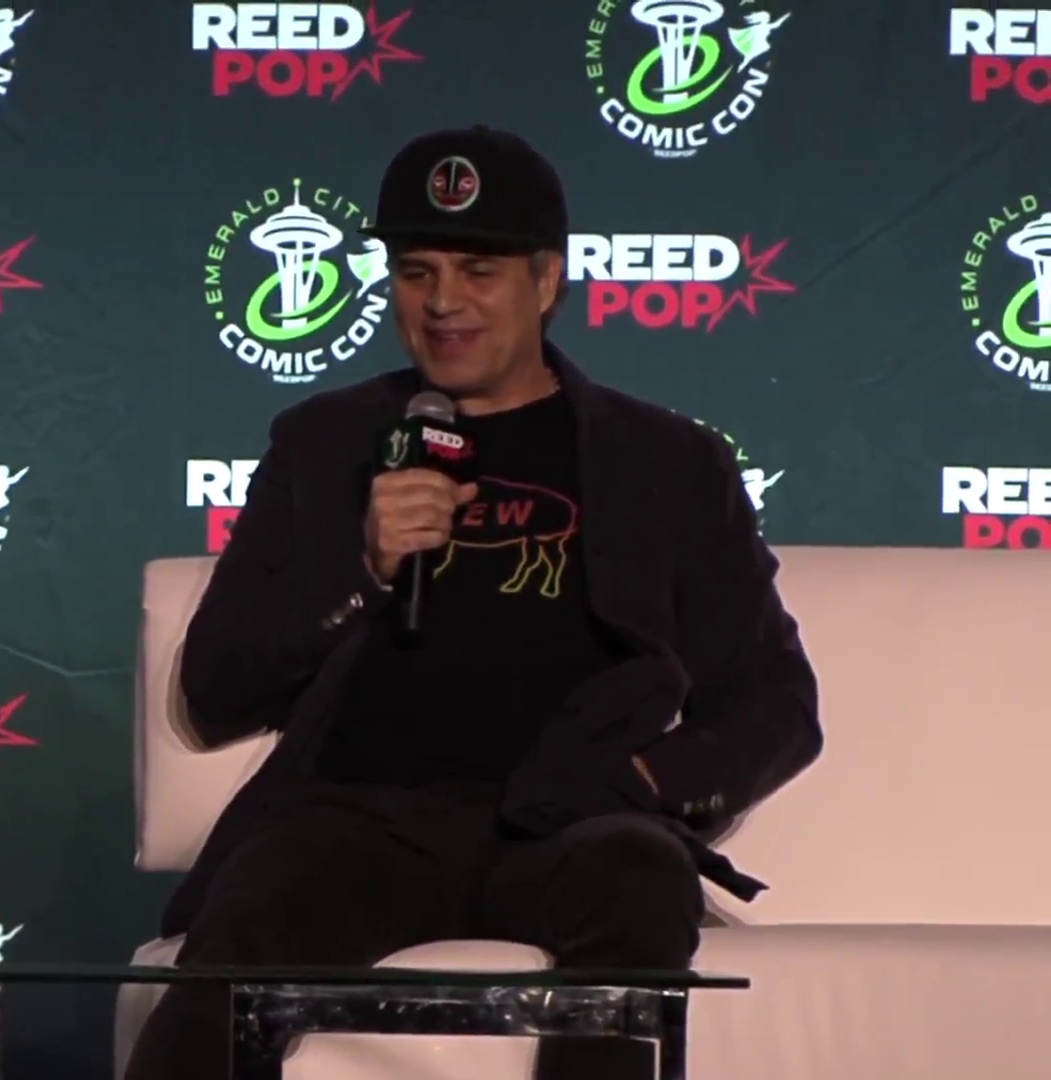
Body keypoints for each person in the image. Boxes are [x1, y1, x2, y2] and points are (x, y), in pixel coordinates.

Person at [124, 127, 823, 1080]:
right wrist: (364, 569)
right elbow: (216, 685)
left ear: (547, 280)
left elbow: (777, 703)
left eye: (478, 271)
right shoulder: (325, 442)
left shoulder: (669, 461)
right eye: (417, 272)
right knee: (259, 902)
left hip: (572, 821)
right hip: (362, 820)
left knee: (639, 877)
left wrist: (650, 779)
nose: (443, 301)